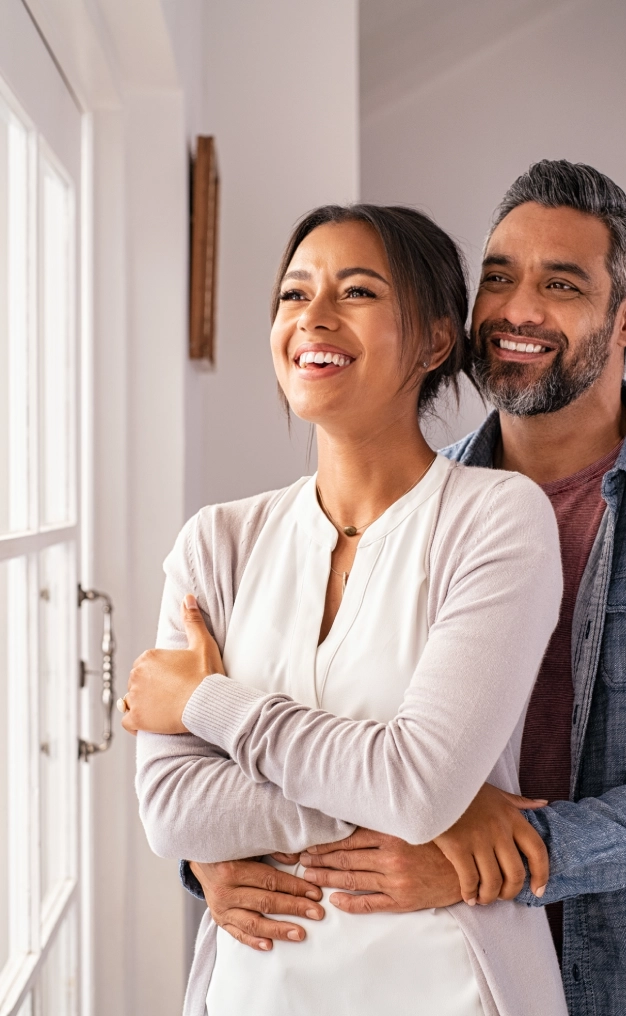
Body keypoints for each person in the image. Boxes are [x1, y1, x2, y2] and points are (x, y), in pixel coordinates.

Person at [185, 160, 626, 1016]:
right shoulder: (412, 507)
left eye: (560, 284)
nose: (517, 311)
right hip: (431, 968)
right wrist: (212, 855)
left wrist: (508, 851)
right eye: (497, 279)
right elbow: (327, 730)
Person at [123, 203, 571, 1016]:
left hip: (450, 985)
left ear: (435, 341)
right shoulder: (215, 543)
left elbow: (419, 783)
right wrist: (415, 795)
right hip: (252, 989)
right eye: (294, 295)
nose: (313, 319)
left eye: (356, 292)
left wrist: (203, 703)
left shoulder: (497, 518)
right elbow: (172, 812)